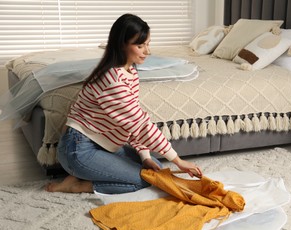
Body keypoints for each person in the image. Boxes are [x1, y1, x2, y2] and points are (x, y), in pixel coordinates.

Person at [45, 13, 202, 194]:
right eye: (140, 45)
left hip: (102, 144)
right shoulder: (111, 79)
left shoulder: (130, 72)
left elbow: (132, 122)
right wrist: (178, 161)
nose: (147, 51)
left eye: (148, 44)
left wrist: (144, 156)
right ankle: (80, 185)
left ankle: (89, 173)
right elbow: (140, 124)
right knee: (145, 180)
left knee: (155, 168)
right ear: (122, 44)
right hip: (78, 149)